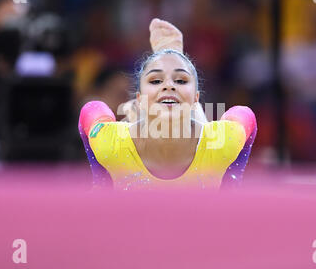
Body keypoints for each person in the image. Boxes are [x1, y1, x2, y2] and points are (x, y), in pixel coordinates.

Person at [79, 19, 256, 190]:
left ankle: (169, 56)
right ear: (139, 98)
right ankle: (170, 56)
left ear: (196, 98)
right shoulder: (112, 144)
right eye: (156, 81)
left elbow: (245, 116)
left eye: (180, 80)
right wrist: (102, 185)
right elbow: (91, 110)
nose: (169, 85)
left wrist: (231, 185)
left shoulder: (221, 143)